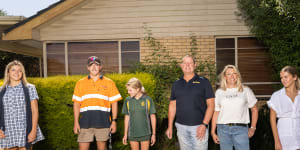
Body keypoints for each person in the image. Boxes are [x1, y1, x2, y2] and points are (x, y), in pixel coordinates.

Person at [165, 55, 215, 150]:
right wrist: (170, 126)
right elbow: (172, 106)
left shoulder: (204, 82)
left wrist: (204, 124)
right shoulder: (176, 84)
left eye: (190, 63)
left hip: (199, 127)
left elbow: (211, 105)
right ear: (181, 65)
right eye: (185, 63)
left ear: (195, 65)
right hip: (181, 127)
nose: (187, 65)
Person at [72, 56, 122, 150]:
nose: (94, 67)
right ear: (87, 67)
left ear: (100, 67)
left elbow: (114, 103)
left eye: (96, 65)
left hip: (103, 122)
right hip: (85, 123)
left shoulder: (109, 82)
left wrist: (114, 121)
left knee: (102, 148)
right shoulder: (80, 83)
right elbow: (76, 104)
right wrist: (76, 122)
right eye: (91, 65)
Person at [210, 65, 258, 150]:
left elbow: (254, 109)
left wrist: (253, 127)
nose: (232, 76)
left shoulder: (245, 90)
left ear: (237, 75)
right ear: (224, 76)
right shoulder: (219, 92)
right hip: (223, 130)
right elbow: (216, 112)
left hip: (241, 130)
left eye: (234, 73)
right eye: (229, 74)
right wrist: (213, 132)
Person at [0, 60, 44, 150]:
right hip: (7, 130)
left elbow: (35, 111)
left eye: (19, 70)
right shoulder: (1, 90)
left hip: (25, 129)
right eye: (13, 70)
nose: (16, 73)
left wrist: (33, 130)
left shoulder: (30, 88)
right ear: (8, 72)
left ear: (22, 73)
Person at [267, 66, 300, 150]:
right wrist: (277, 141)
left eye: (286, 77)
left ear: (294, 77)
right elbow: (272, 120)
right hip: (284, 134)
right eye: (281, 78)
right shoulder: (277, 96)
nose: (283, 80)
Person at [122, 77, 156, 150]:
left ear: (137, 89)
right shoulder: (127, 100)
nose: (128, 92)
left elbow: (152, 117)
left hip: (145, 133)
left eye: (130, 90)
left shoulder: (148, 100)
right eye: (128, 90)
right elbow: (127, 118)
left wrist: (153, 134)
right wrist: (125, 134)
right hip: (132, 134)